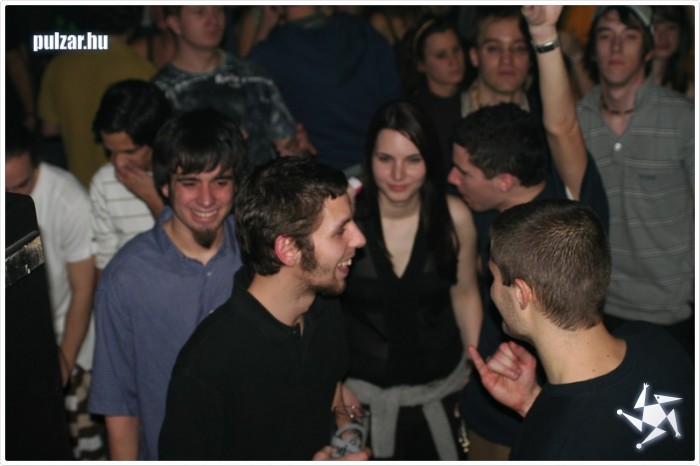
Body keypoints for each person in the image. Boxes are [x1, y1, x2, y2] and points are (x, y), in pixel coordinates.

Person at [450, 6, 609, 460]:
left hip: (554, 417)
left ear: (503, 181)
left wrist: (542, 32)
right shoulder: (480, 209)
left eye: (463, 172)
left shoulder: (571, 204)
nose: (452, 179)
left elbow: (561, 126)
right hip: (484, 408)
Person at [158, 156, 368, 460]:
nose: (359, 239)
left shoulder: (325, 309)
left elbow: (333, 394)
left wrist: (346, 441)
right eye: (340, 231)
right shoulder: (208, 365)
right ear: (288, 249)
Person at [469, 198, 695, 460]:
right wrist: (533, 402)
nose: (492, 291)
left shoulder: (551, 452)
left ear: (521, 294)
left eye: (494, 278)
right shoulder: (657, 341)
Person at [88, 109, 246, 460]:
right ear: (164, 186)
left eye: (220, 182)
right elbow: (119, 405)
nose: (206, 199)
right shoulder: (126, 277)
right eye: (189, 183)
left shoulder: (259, 255)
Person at [340, 100, 481, 461]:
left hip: (442, 396)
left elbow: (465, 293)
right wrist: (332, 387)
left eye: (413, 159)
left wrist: (475, 367)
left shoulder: (454, 217)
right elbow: (318, 311)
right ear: (368, 159)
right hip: (357, 405)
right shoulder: (345, 221)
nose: (398, 174)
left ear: (430, 160)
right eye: (385, 159)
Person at [577, 6, 694, 357]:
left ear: (648, 50)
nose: (616, 47)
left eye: (629, 37)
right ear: (592, 50)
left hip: (674, 309)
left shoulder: (684, 117)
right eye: (606, 36)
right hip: (598, 308)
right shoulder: (576, 120)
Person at [5, 123, 105, 460]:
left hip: (67, 338)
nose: (11, 198)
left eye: (21, 186)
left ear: (36, 163)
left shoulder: (68, 198)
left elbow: (83, 289)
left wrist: (61, 362)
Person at [153, 5, 313, 170]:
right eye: (199, 12)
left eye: (218, 10)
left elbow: (287, 142)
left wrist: (297, 152)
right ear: (175, 23)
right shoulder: (164, 91)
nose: (213, 20)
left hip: (263, 183)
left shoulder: (252, 76)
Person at [248, 6, 402, 173]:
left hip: (323, 173)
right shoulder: (365, 33)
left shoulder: (272, 52)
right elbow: (395, 103)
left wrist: (265, 25)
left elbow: (245, 85)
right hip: (379, 165)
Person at [38, 6, 156, 187]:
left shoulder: (59, 64)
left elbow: (49, 128)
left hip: (78, 185)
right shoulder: (143, 69)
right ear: (136, 19)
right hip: (125, 187)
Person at [90, 79, 172, 270]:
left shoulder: (186, 175)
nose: (118, 163)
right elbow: (105, 261)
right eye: (110, 151)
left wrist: (154, 201)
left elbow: (188, 252)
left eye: (130, 151)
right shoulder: (103, 181)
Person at [402, 16, 467, 173]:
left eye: (456, 50)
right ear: (421, 64)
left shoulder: (477, 96)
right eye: (441, 55)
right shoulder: (414, 114)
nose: (453, 60)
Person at [650, 6, 694, 98]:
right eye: (655, 28)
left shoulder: (689, 90)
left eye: (671, 28)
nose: (663, 36)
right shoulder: (625, 82)